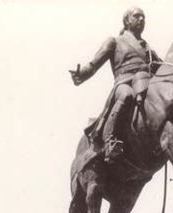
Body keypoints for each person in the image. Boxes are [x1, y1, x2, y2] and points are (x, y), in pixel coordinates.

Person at [69, 7, 161, 162]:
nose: (141, 20)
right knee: (126, 94)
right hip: (124, 82)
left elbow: (163, 68)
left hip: (145, 84)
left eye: (143, 17)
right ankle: (109, 140)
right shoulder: (115, 42)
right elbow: (94, 63)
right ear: (126, 21)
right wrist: (82, 74)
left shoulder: (148, 49)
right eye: (137, 16)